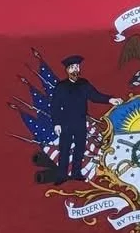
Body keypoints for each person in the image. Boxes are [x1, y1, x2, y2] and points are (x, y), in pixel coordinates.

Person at [46, 55, 120, 184]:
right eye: (73, 67)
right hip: (66, 122)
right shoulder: (61, 86)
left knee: (80, 148)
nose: (76, 69)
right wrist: (56, 123)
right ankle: (62, 175)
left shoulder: (84, 84)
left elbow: (95, 96)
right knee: (64, 148)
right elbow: (55, 106)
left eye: (77, 67)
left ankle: (76, 173)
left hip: (81, 121)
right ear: (67, 70)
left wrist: (110, 99)